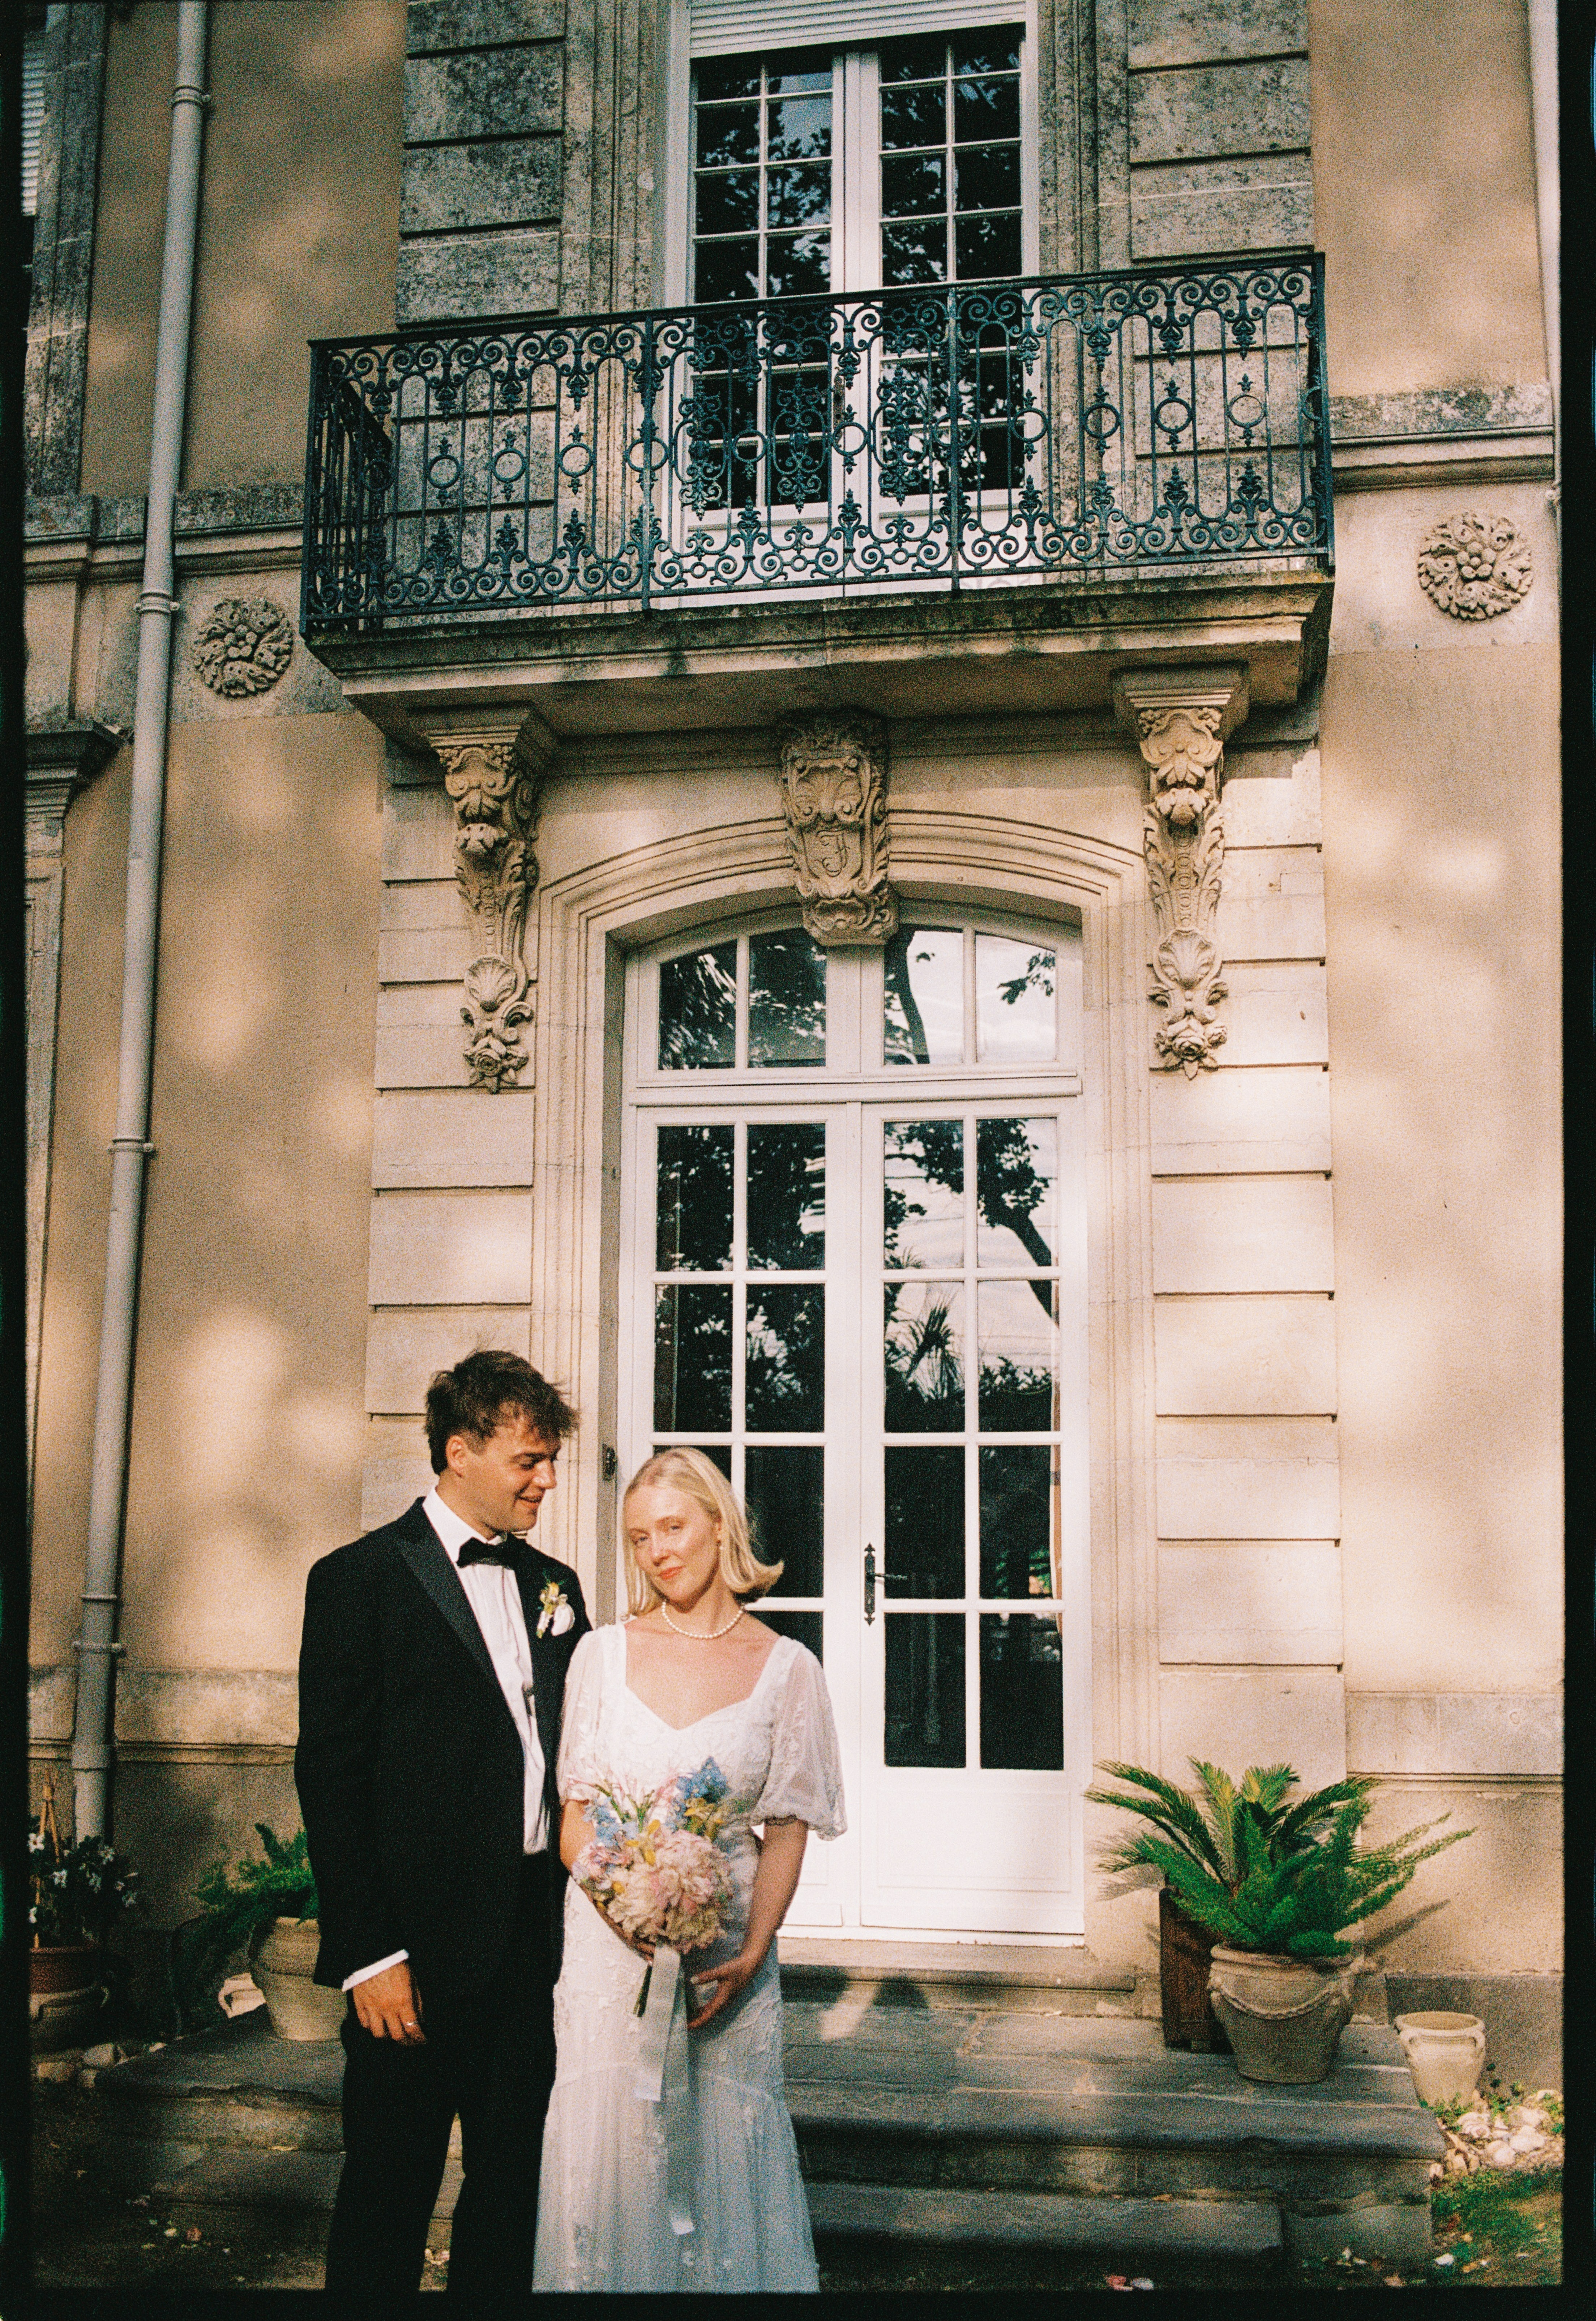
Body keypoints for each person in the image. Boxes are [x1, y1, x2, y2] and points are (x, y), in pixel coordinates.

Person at [295, 1350, 590, 2302]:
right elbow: (331, 1776)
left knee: (512, 2189)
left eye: (551, 1461)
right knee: (390, 2186)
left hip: (532, 1952)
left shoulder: (558, 1586)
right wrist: (369, 1953)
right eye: (531, 1460)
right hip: (411, 1958)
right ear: (460, 1452)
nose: (547, 1480)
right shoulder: (357, 1580)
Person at [532, 1447, 845, 2294]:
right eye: (638, 1538)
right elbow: (574, 1819)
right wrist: (631, 1910)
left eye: (672, 1527)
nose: (657, 1551)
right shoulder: (602, 1655)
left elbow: (785, 1828)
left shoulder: (789, 1669)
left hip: (728, 1958)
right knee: (613, 2140)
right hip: (608, 1953)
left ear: (719, 1525)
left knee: (723, 2142)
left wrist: (753, 1950)